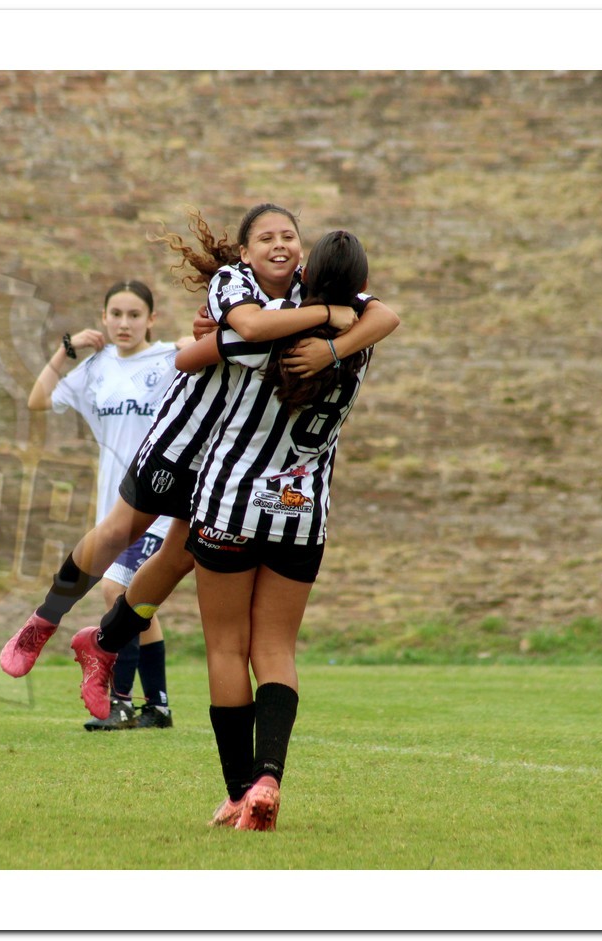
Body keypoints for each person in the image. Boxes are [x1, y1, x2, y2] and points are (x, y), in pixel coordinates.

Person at [0, 202, 386, 722]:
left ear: (303, 250)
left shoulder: (311, 289)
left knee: (180, 557)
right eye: (266, 237)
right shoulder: (234, 283)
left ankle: (104, 644)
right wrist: (323, 319)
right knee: (119, 531)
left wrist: (333, 346)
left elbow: (385, 315)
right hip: (186, 436)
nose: (279, 245)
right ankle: (42, 622)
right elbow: (245, 330)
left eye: (288, 236)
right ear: (245, 252)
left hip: (232, 461)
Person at [174, 229, 399, 831]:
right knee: (275, 650)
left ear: (305, 271)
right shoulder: (358, 341)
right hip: (301, 511)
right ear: (361, 283)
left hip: (232, 500)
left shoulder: (272, 325)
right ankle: (269, 777)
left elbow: (188, 358)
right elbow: (385, 314)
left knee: (227, 647)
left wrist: (209, 333)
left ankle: (238, 791)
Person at [24, 280, 188, 730]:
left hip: (158, 504)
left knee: (117, 592)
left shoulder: (171, 359)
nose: (124, 323)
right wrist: (66, 350)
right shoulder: (96, 367)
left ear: (151, 319)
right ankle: (158, 706)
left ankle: (120, 703)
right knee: (141, 603)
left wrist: (193, 345)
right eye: (116, 314)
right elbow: (37, 400)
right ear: (103, 318)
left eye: (134, 315)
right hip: (115, 508)